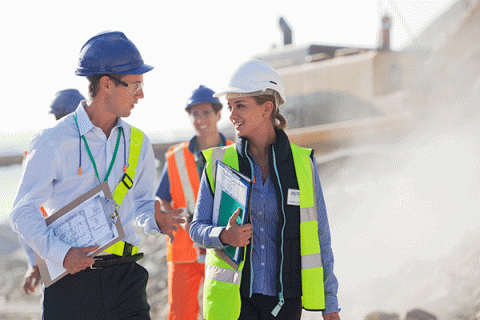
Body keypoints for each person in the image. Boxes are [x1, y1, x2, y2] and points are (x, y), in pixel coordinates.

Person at [10, 31, 184, 320]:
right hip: (70, 281)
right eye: (135, 85)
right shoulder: (52, 141)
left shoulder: (139, 143)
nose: (141, 95)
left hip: (126, 279)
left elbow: (141, 205)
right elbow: (22, 212)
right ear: (106, 85)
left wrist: (155, 219)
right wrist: (62, 254)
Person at [189, 60, 341, 320]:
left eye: (240, 106)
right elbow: (196, 229)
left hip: (285, 304)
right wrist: (224, 236)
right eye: (230, 107)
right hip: (236, 305)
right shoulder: (219, 164)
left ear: (266, 108)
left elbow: (320, 236)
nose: (232, 115)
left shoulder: (302, 164)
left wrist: (330, 303)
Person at [156, 85, 233, 320]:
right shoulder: (176, 157)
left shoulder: (235, 153)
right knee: (181, 314)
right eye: (195, 114)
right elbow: (162, 199)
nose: (200, 119)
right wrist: (180, 221)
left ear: (218, 114)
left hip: (224, 246)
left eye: (206, 113)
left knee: (223, 313)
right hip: (184, 250)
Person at [21, 88, 86, 296]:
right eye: (61, 118)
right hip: (54, 254)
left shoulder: (93, 151)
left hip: (84, 254)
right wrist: (34, 262)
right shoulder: (39, 153)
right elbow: (26, 213)